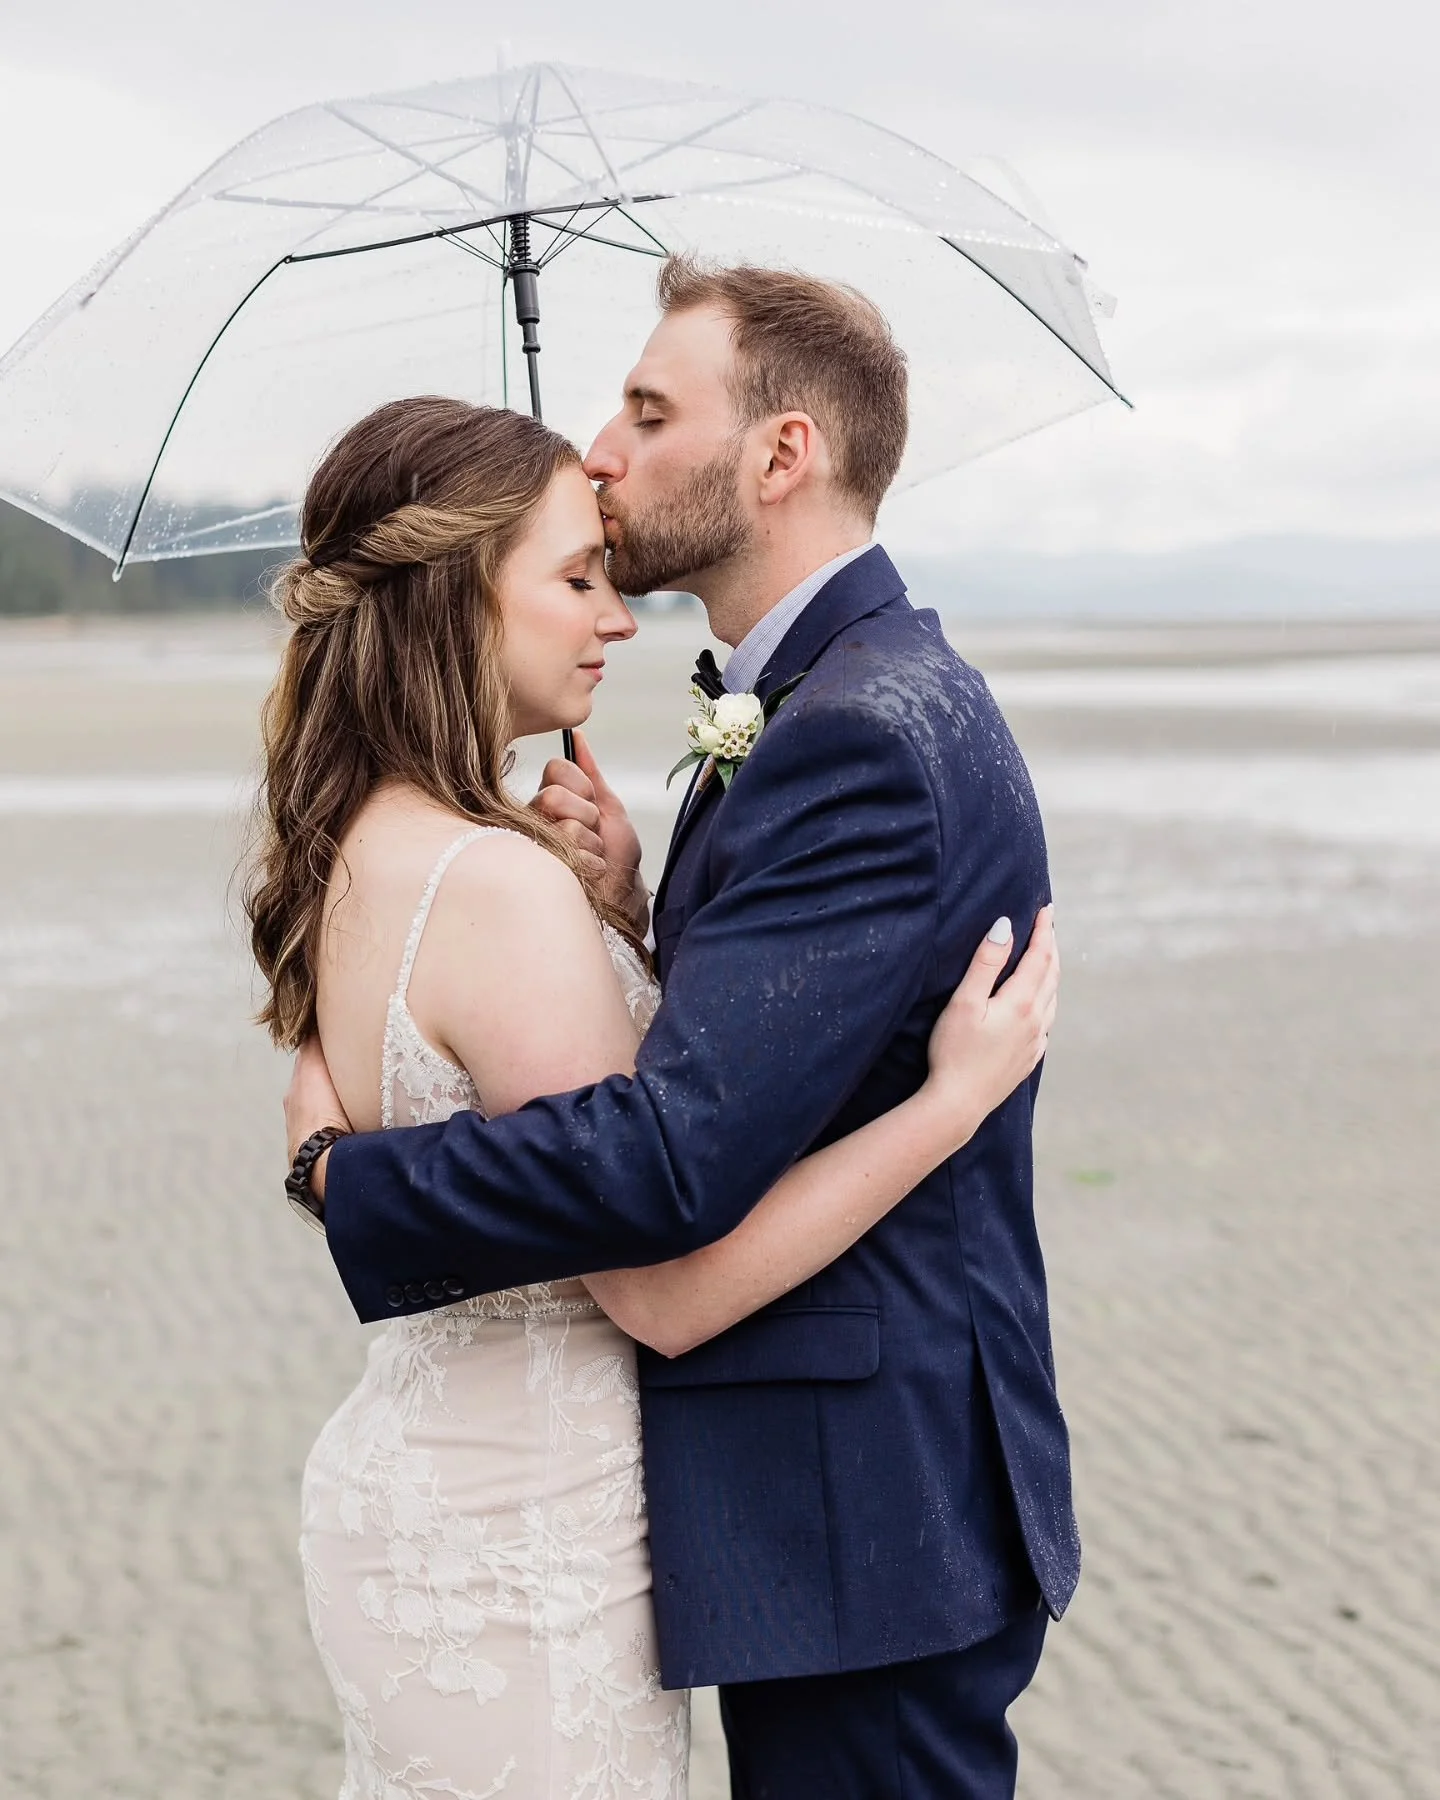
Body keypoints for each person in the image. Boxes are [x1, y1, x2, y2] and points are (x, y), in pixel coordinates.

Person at [251, 388, 1059, 1800]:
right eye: (573, 577)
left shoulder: (356, 846)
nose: (617, 611)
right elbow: (660, 1282)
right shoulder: (495, 882)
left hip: (424, 1482)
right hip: (533, 1525)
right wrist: (951, 1103)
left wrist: (627, 919)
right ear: (454, 599)